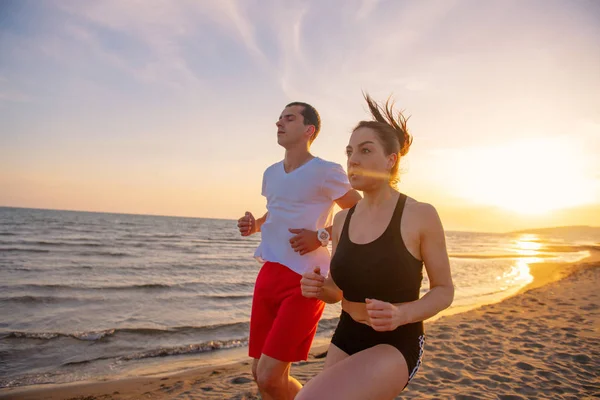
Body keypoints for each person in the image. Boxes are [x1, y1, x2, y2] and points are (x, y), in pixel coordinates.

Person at [297, 94, 454, 400]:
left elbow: (444, 290)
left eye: (365, 150)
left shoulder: (420, 215)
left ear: (390, 160)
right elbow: (337, 291)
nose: (353, 159)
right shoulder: (342, 221)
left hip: (396, 342)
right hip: (347, 334)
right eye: (349, 151)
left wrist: (401, 314)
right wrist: (318, 288)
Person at [237, 101, 361, 400]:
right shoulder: (270, 173)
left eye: (289, 118)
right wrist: (256, 225)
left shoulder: (326, 171)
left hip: (307, 281)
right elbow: (276, 213)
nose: (279, 123)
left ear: (309, 130)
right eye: (279, 118)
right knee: (260, 375)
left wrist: (321, 236)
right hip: (269, 273)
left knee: (269, 376)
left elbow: (360, 211)